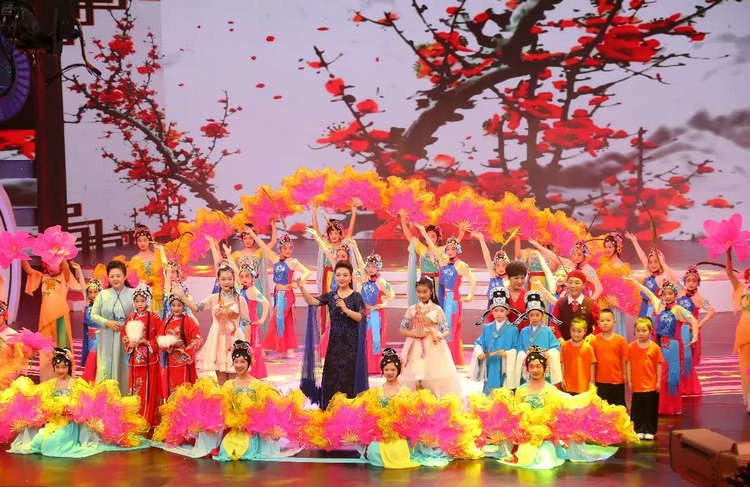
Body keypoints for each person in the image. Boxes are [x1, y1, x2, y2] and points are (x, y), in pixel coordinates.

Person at [296, 260, 368, 409]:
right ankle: (330, 410)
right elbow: (313, 302)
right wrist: (302, 288)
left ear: (350, 277)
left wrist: (346, 310)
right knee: (331, 377)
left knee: (348, 378)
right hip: (334, 346)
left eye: (345, 275)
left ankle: (348, 410)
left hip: (351, 346)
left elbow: (361, 317)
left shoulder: (356, 297)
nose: (341, 278)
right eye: (338, 275)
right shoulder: (331, 296)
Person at [627, 277, 699, 415]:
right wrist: (633, 281)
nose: (667, 296)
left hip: (672, 347)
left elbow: (693, 320)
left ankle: (671, 407)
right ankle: (659, 406)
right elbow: (647, 292)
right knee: (658, 376)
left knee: (671, 377)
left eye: (670, 293)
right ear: (661, 295)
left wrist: (695, 336)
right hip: (658, 345)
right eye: (665, 294)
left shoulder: (678, 309)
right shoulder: (658, 305)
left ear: (675, 295)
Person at [180, 264, 250, 385]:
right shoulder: (213, 298)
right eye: (223, 279)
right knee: (221, 380)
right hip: (218, 340)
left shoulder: (240, 299)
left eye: (229, 279)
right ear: (218, 281)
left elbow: (246, 322)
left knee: (234, 378)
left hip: (235, 340)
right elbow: (197, 307)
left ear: (234, 280)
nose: (226, 282)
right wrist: (182, 296)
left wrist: (247, 344)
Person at [417, 227, 476, 366]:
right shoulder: (442, 262)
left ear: (457, 250)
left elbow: (473, 279)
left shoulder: (461, 265)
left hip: (453, 300)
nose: (449, 251)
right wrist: (422, 231)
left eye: (453, 249)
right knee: (441, 328)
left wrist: (470, 295)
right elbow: (432, 247)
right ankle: (442, 360)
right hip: (442, 299)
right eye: (448, 249)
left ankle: (451, 361)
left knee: (450, 330)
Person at [250, 231, 311, 358]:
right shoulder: (275, 259)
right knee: (286, 321)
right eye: (285, 248)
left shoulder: (293, 262)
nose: (288, 251)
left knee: (277, 320)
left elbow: (307, 272)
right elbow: (264, 247)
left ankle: (270, 348)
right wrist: (252, 234)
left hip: (286, 295)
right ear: (280, 249)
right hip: (278, 295)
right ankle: (288, 350)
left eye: (290, 248)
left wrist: (297, 283)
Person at [397, 277, 461, 397]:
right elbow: (402, 329)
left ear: (431, 291)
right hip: (415, 345)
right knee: (417, 373)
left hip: (433, 345)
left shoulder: (437, 309)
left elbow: (446, 330)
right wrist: (414, 334)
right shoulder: (412, 309)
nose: (422, 295)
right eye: (419, 292)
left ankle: (432, 399)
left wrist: (439, 336)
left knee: (433, 374)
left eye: (425, 292)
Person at [21, 259, 82, 380]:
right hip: (45, 320)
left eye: (55, 264)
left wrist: (60, 254)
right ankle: (47, 379)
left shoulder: (64, 277)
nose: (51, 267)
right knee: (45, 349)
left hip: (60, 319)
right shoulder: (43, 277)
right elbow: (28, 270)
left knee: (62, 347)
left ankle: (65, 379)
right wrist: (20, 255)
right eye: (49, 264)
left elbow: (66, 267)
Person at [364, 348, 418, 469]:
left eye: (393, 369)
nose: (389, 372)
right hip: (380, 432)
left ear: (398, 370)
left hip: (397, 433)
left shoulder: (405, 391)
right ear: (382, 371)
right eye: (386, 369)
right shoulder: (377, 390)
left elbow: (410, 416)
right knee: (374, 453)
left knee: (397, 454)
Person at [91, 260, 135, 394]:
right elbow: (93, 315)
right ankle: (106, 396)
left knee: (125, 365)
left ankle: (125, 395)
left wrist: (127, 326)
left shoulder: (133, 293)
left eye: (118, 276)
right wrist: (107, 323)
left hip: (127, 337)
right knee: (105, 365)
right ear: (108, 278)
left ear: (125, 276)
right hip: (107, 337)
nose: (115, 279)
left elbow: (140, 313)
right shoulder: (103, 295)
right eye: (112, 276)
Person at [123, 285, 163, 426]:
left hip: (150, 359)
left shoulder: (154, 317)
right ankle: (136, 416)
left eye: (142, 301)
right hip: (135, 358)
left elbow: (160, 336)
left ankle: (149, 417)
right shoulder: (131, 318)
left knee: (150, 387)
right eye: (137, 301)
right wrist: (129, 343)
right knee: (135, 387)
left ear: (148, 301)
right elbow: (124, 335)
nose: (140, 304)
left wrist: (146, 342)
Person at [469, 287, 519, 394]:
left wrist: (507, 353)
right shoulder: (487, 328)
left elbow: (516, 347)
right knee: (489, 390)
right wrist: (479, 352)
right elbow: (479, 343)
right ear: (492, 311)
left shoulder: (513, 329)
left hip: (504, 365)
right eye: (496, 310)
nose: (499, 313)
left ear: (507, 311)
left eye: (502, 310)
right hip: (490, 364)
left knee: (503, 391)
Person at [353, 251, 395, 374]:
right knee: (362, 339)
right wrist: (354, 247)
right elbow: (359, 263)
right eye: (369, 266)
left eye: (374, 266)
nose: (371, 269)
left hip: (375, 314)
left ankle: (374, 367)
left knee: (374, 340)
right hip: (363, 313)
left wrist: (383, 304)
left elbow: (391, 294)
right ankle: (362, 365)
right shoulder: (363, 278)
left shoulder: (381, 282)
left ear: (378, 267)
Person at [676, 265, 716, 395]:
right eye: (688, 280)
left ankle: (689, 387)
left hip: (688, 331)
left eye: (694, 280)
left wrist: (699, 325)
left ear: (698, 282)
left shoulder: (700, 298)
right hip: (677, 329)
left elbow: (711, 311)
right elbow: (670, 276)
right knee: (677, 358)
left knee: (687, 358)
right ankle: (679, 385)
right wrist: (662, 262)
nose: (691, 283)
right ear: (684, 281)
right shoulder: (680, 291)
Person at [512, 291, 563, 387]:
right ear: (528, 316)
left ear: (542, 315)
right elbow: (520, 348)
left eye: (537, 315)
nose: (534, 318)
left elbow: (556, 347)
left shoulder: (547, 331)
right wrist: (525, 354)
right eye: (531, 315)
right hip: (529, 365)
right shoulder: (524, 331)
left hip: (543, 364)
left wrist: (548, 353)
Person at [625, 232, 679, 318]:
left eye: (656, 261)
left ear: (661, 261)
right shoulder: (648, 273)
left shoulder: (664, 276)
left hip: (656, 309)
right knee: (642, 325)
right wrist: (634, 241)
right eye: (650, 262)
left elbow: (675, 280)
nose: (653, 264)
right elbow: (642, 257)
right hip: (644, 306)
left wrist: (662, 263)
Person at [626, 317, 664, 440]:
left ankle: (650, 430)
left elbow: (658, 364)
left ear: (650, 331)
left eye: (644, 330)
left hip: (651, 384)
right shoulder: (631, 347)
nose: (641, 333)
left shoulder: (655, 348)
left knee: (650, 408)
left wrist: (658, 381)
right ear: (634, 331)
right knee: (637, 408)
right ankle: (638, 429)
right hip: (637, 384)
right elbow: (628, 364)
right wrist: (629, 380)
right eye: (638, 330)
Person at [158, 294, 203, 397]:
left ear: (184, 306)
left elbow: (198, 339)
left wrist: (186, 351)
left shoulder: (189, 321)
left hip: (184, 362)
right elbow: (159, 339)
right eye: (173, 305)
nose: (176, 308)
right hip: (170, 362)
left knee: (184, 390)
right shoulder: (166, 322)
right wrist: (170, 343)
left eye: (179, 305)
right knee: (171, 390)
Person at [529, 239, 603, 300]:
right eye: (574, 254)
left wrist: (589, 302)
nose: (576, 257)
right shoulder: (569, 263)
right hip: (565, 299)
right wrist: (538, 246)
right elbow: (553, 256)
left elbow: (599, 289)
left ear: (584, 255)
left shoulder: (589, 270)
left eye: (579, 255)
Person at [725, 249, 750, 412]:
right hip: (745, 328)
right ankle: (748, 398)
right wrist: (728, 254)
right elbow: (729, 272)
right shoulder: (741, 287)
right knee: (746, 366)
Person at [589, 308, 628, 407]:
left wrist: (625, 375)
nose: (605, 323)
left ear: (614, 322)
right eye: (602, 321)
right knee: (602, 408)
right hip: (600, 381)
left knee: (618, 408)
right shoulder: (594, 341)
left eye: (608, 320)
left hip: (617, 381)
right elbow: (592, 362)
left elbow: (624, 360)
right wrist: (592, 380)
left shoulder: (621, 340)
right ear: (598, 323)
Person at [552, 270, 601, 340]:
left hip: (586, 345)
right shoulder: (560, 303)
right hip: (564, 344)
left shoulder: (591, 304)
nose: (573, 286)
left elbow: (600, 325)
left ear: (584, 285)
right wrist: (560, 338)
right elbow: (553, 324)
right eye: (570, 282)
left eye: (577, 283)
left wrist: (592, 336)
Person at [560, 318, 597, 395]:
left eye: (579, 331)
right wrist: (561, 378)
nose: (576, 334)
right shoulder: (565, 346)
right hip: (568, 384)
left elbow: (592, 365)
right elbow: (562, 363)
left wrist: (592, 382)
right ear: (570, 330)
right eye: (573, 331)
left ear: (585, 332)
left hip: (583, 385)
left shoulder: (588, 348)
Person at [80, 278, 103, 381]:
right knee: (91, 355)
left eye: (95, 292)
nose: (93, 295)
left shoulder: (103, 307)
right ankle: (91, 380)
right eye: (90, 292)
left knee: (97, 357)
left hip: (100, 336)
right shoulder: (87, 307)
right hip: (90, 336)